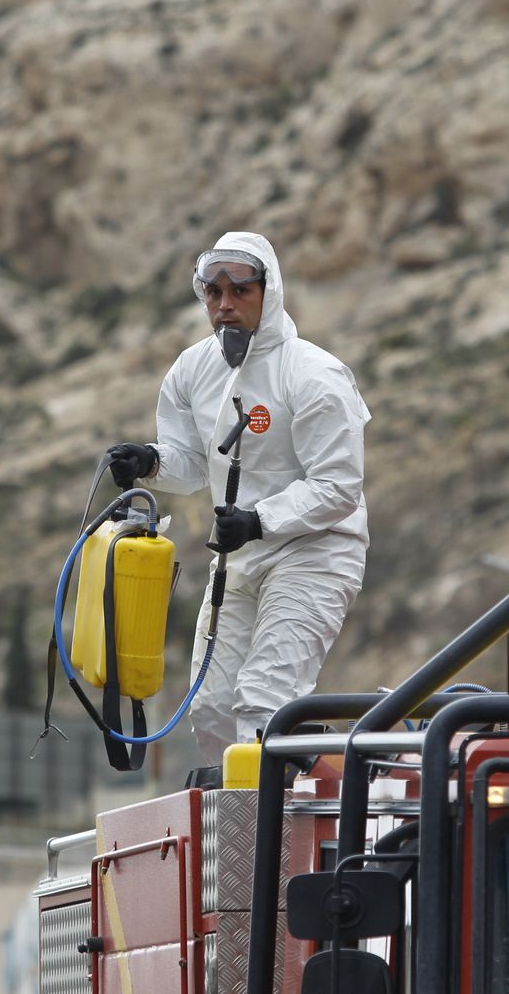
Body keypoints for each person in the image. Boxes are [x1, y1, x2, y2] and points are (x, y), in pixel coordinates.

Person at [104, 231, 369, 763]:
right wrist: (150, 463)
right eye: (213, 292)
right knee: (213, 708)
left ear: (268, 293)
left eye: (240, 291)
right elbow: (192, 460)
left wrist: (260, 519)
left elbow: (339, 486)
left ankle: (279, 826)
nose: (225, 305)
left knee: (265, 704)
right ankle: (236, 832)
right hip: (239, 557)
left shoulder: (314, 375)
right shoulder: (192, 371)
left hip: (315, 552)